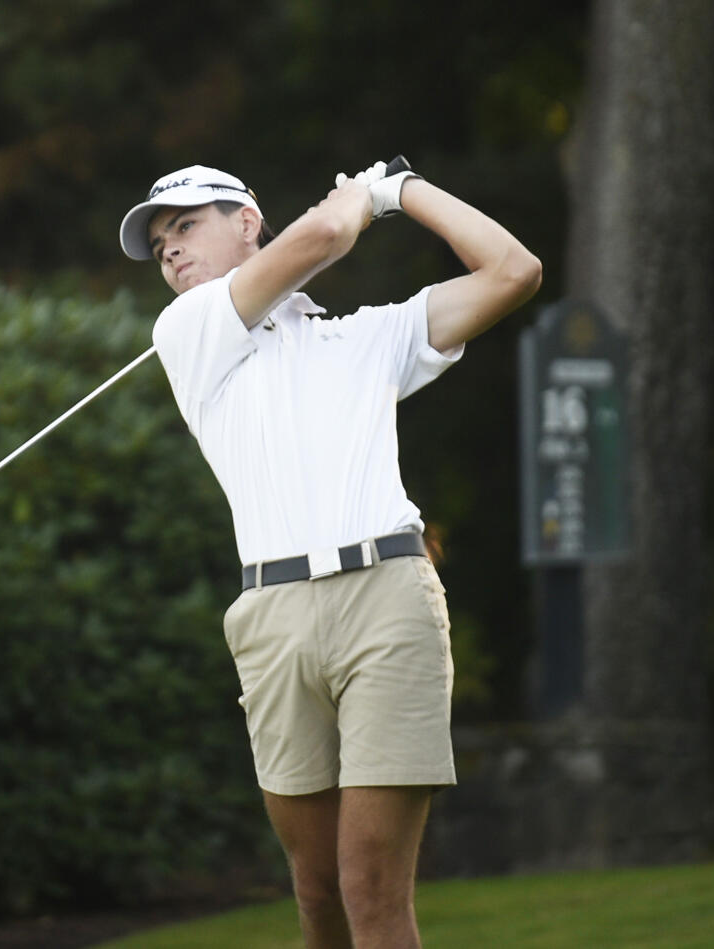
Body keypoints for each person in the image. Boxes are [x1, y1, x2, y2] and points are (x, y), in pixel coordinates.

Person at [118, 158, 541, 949]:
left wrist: (404, 190)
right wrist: (360, 199)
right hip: (272, 620)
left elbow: (514, 270)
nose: (168, 249)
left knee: (371, 890)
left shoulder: (365, 339)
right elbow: (319, 235)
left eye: (184, 226)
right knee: (317, 897)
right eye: (158, 241)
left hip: (388, 599)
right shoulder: (188, 332)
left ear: (246, 219)